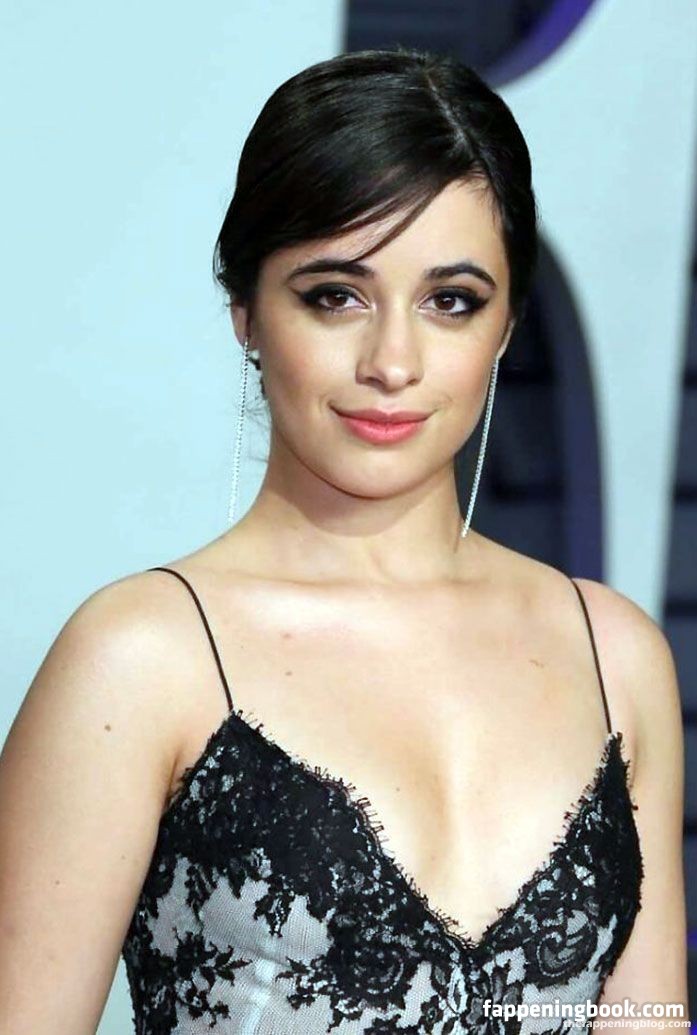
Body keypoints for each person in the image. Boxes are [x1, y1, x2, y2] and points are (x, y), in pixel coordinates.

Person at [0, 47, 688, 1035]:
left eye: (450, 300)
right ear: (246, 311)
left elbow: (649, 1014)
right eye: (335, 295)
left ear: (504, 325)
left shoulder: (613, 655)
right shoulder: (140, 658)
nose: (392, 361)